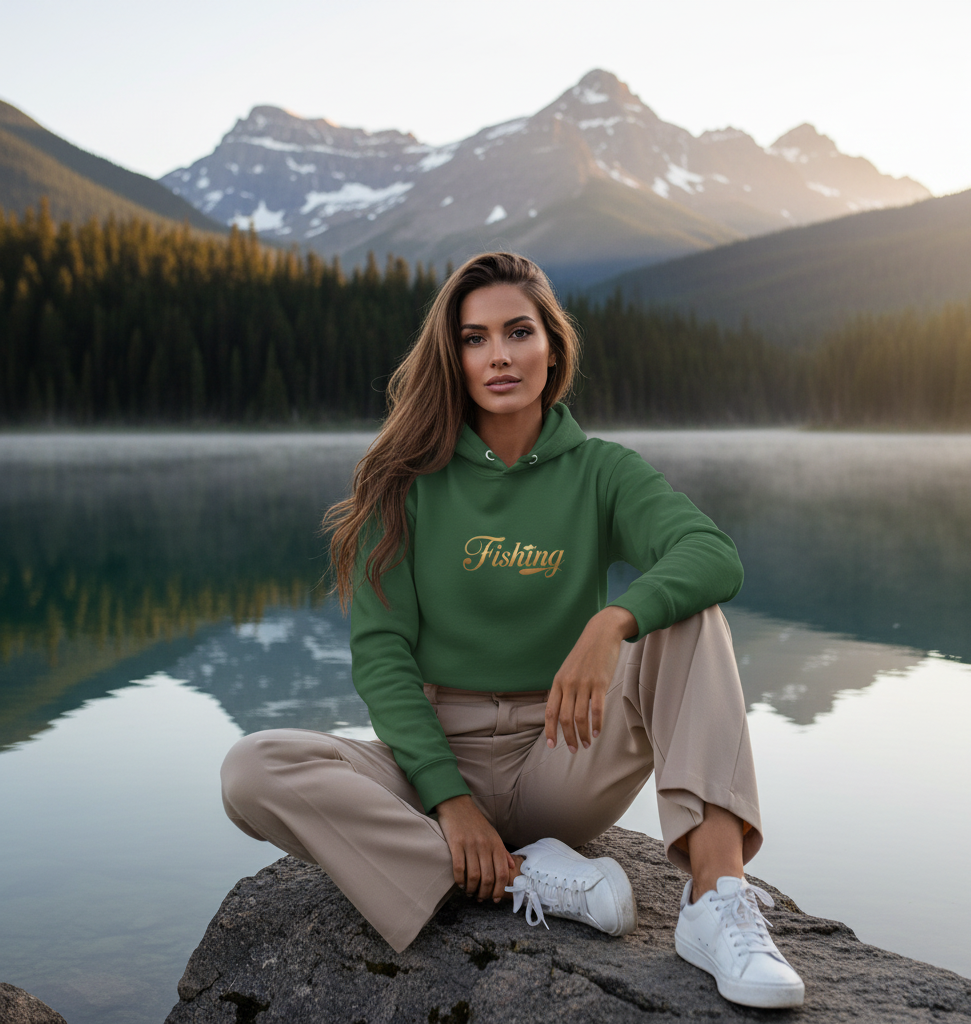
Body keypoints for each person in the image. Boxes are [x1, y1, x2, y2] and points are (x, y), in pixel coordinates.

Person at [220, 252, 805, 1009]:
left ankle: (716, 900)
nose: (499, 355)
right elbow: (382, 658)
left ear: (552, 348)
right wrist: (450, 803)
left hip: (563, 752)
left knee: (691, 618)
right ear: (452, 358)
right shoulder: (404, 485)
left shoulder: (601, 472)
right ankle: (522, 876)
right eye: (474, 338)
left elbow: (711, 555)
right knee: (252, 769)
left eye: (518, 332)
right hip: (429, 760)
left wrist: (611, 622)